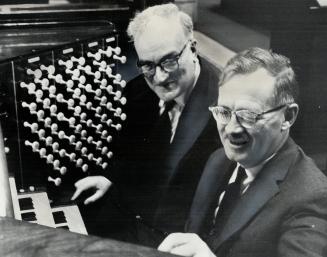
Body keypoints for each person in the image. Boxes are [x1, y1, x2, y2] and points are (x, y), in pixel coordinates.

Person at [158, 47, 327, 257]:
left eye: (248, 115)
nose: (231, 129)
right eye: (223, 112)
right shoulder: (218, 160)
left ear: (288, 117)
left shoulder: (313, 196)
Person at [72, 3, 221, 240]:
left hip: (179, 236)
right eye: (148, 65)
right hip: (135, 218)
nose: (160, 77)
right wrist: (110, 176)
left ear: (192, 48)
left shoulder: (223, 107)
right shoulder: (138, 88)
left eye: (169, 61)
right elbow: (131, 148)